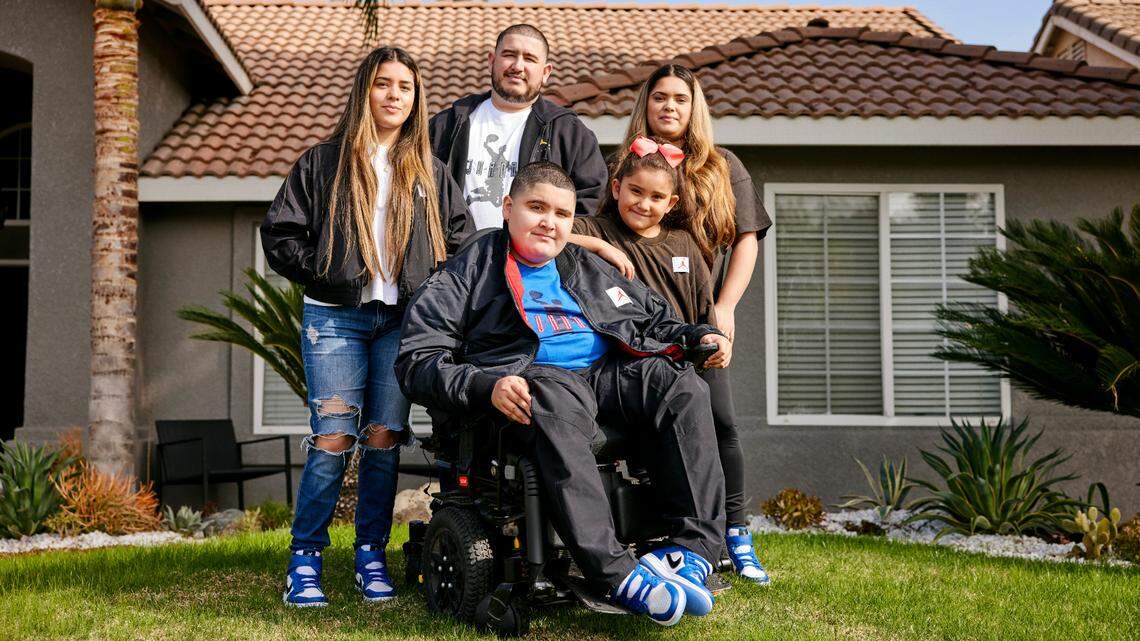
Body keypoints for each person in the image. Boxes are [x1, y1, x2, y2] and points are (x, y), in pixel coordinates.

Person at [395, 161, 730, 626]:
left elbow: (652, 319)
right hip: (535, 378)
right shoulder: (467, 271)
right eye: (536, 208)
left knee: (681, 384)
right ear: (508, 208)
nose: (549, 222)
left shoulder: (585, 265)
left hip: (605, 373)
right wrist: (486, 385)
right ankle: (617, 576)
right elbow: (417, 359)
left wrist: (698, 336)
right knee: (550, 393)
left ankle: (691, 553)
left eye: (562, 214)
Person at [261, 46, 471, 608]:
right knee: (333, 439)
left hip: (402, 323)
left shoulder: (428, 170)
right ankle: (304, 561)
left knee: (382, 441)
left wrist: (440, 297)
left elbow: (463, 240)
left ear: (415, 98)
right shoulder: (323, 162)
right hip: (335, 318)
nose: (394, 95)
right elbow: (280, 233)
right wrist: (327, 270)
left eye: (405, 86)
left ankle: (369, 554)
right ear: (364, 91)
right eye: (383, 84)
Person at [612, 64, 774, 585]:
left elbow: (746, 238)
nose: (669, 107)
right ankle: (661, 534)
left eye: (680, 99)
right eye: (659, 97)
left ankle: (735, 533)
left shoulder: (722, 166)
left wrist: (725, 308)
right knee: (644, 430)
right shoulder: (624, 163)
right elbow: (593, 230)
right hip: (636, 324)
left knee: (719, 421)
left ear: (694, 106)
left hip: (697, 318)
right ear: (646, 105)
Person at [428, 24, 608, 228]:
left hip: (534, 259)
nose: (517, 66)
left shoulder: (570, 133)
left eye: (529, 58)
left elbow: (592, 204)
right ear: (491, 61)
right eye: (509, 55)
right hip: (454, 257)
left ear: (546, 72)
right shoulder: (447, 125)